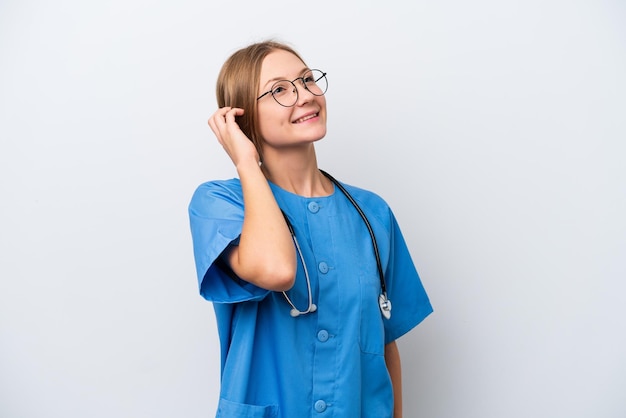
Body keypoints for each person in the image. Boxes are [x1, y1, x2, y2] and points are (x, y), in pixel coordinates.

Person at [188, 40, 433, 418]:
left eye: (307, 80)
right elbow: (277, 271)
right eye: (279, 90)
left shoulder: (372, 213)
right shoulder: (220, 203)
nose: (304, 95)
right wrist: (246, 163)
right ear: (240, 117)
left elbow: (385, 345)